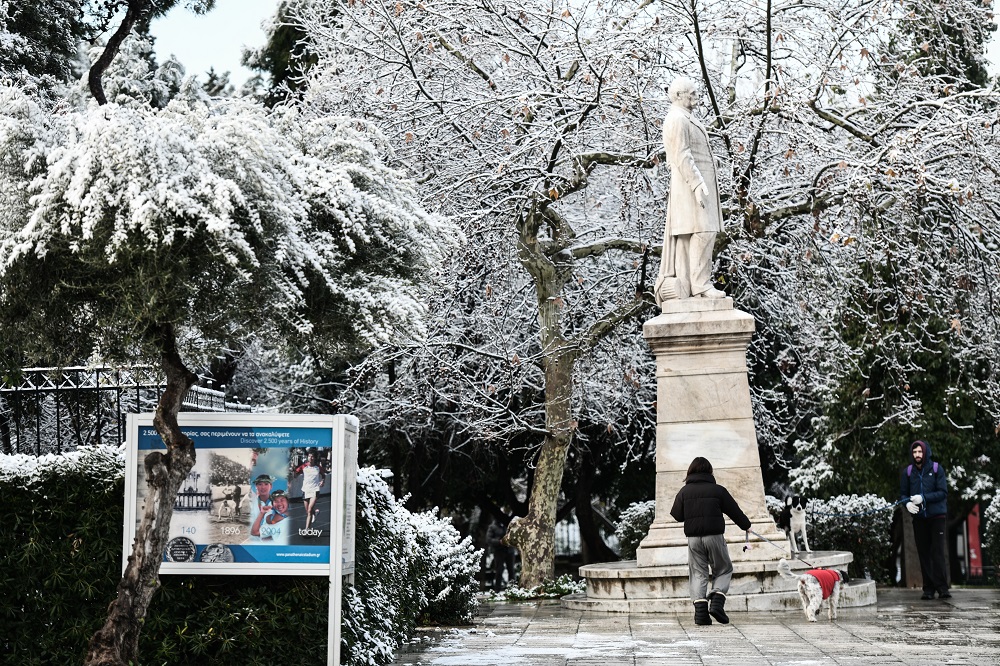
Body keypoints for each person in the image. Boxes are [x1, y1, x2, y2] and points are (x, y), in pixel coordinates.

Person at [655, 76, 726, 303]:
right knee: (703, 231)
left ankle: (692, 282)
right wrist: (696, 184)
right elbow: (682, 155)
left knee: (702, 232)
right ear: (678, 96)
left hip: (696, 185)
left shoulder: (686, 118)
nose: (696, 96)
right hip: (689, 188)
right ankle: (700, 285)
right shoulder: (677, 119)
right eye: (692, 93)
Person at [670, 456, 752, 625]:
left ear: (690, 471)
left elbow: (677, 516)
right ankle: (716, 600)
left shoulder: (684, 492)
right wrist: (746, 525)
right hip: (714, 537)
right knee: (723, 568)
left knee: (698, 573)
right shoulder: (718, 490)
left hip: (693, 540)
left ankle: (701, 613)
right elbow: (734, 511)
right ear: (710, 471)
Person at [900, 440, 950, 599]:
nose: (917, 455)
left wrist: (923, 498)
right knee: (923, 553)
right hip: (919, 518)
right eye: (914, 452)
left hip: (937, 517)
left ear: (925, 452)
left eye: (920, 452)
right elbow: (903, 494)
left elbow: (942, 492)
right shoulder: (908, 472)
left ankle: (942, 588)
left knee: (937, 552)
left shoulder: (936, 469)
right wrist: (907, 503)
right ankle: (928, 589)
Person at [294, 450, 326, 531]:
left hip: (315, 490)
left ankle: (307, 529)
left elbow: (323, 475)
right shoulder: (304, 466)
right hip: (305, 490)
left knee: (309, 510)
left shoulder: (318, 468)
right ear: (307, 457)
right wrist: (294, 473)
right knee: (308, 511)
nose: (310, 458)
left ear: (315, 458)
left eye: (312, 456)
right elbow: (295, 473)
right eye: (309, 456)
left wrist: (322, 481)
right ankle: (314, 513)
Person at [486, 519, 516, 591]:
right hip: (499, 551)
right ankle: (497, 589)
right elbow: (488, 539)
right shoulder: (493, 527)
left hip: (509, 551)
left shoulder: (509, 525)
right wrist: (499, 542)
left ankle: (513, 589)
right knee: (499, 570)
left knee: (511, 570)